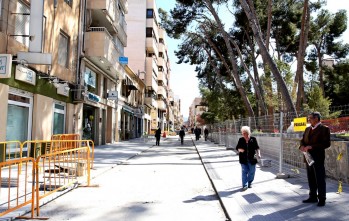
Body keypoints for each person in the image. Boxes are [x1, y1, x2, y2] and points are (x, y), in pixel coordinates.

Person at [299, 112, 330, 207]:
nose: (309, 120)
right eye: (308, 118)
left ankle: (322, 198)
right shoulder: (307, 129)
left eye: (310, 118)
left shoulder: (324, 129)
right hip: (308, 157)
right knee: (311, 177)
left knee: (320, 178)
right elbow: (303, 140)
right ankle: (312, 197)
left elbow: (326, 144)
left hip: (318, 158)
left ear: (316, 118)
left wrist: (311, 147)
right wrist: (301, 146)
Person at [236, 126, 261, 191]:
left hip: (252, 159)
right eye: (242, 133)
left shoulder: (253, 139)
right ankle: (245, 185)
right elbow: (237, 148)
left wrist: (259, 154)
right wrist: (240, 150)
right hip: (243, 159)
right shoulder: (241, 140)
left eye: (244, 133)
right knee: (244, 172)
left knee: (252, 172)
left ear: (248, 133)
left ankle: (249, 182)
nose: (243, 134)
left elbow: (257, 148)